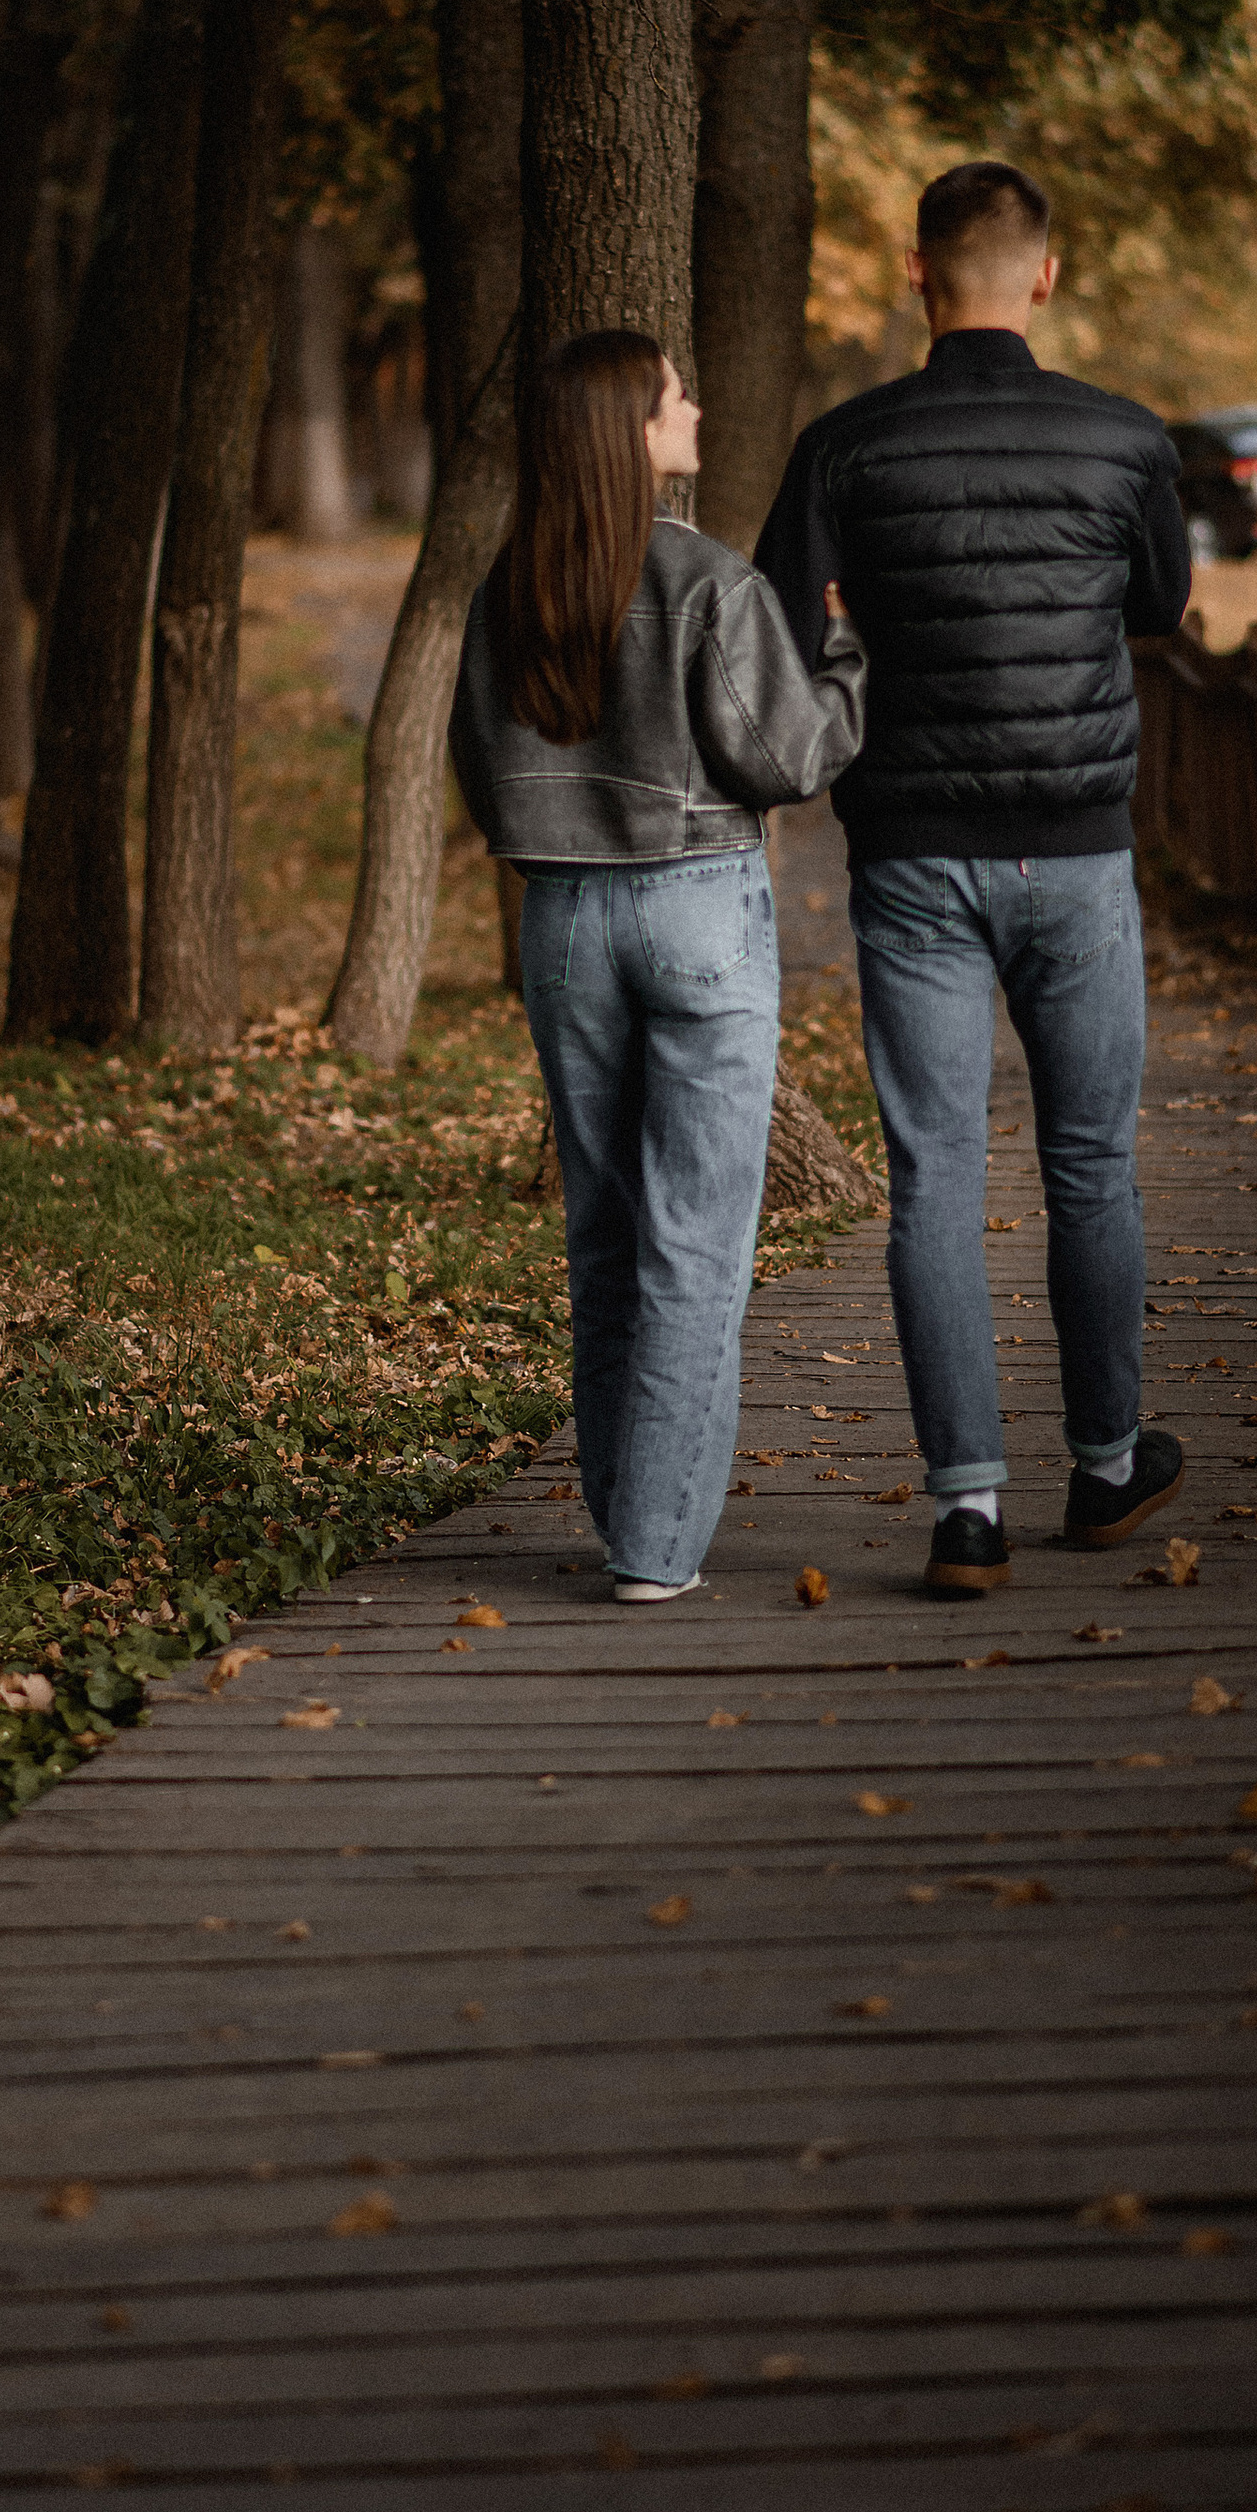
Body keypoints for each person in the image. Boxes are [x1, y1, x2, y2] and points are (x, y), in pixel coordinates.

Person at [755, 159, 1192, 1601]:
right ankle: (1113, 1464)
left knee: (934, 1172)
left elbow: (778, 615)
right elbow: (1159, 605)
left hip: (913, 852)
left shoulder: (845, 447)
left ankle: (967, 1511)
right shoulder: (1124, 442)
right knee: (1091, 1164)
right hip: (1075, 847)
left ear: (915, 275)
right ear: (1046, 277)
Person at [451, 328, 864, 1603]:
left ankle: (627, 1508)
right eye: (676, 397)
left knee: (605, 1228)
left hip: (564, 921)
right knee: (695, 1238)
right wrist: (845, 658)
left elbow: (480, 768)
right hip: (694, 908)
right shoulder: (707, 583)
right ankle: (656, 1548)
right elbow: (786, 756)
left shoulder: (508, 589)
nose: (695, 408)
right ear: (631, 430)